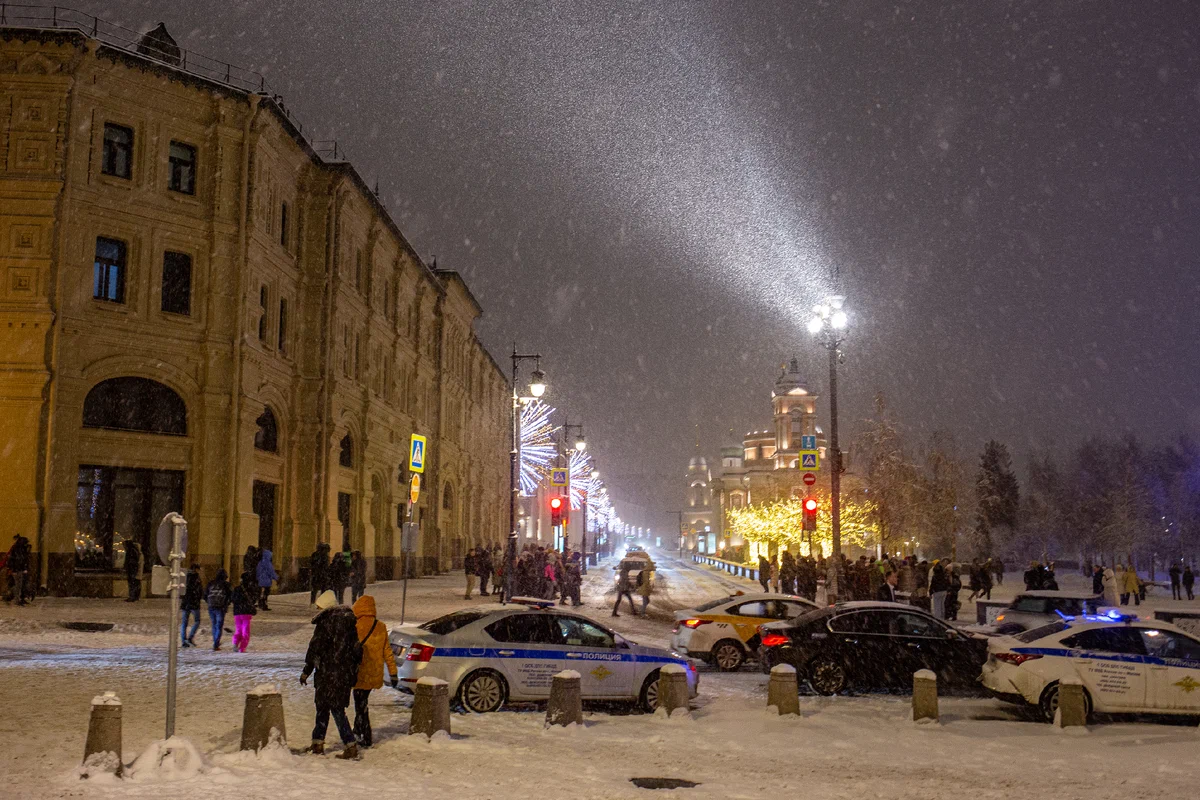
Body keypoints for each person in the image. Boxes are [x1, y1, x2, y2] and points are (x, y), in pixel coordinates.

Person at [301, 590, 362, 759]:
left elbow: (315, 649)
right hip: (342, 675)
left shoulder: (325, 623)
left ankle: (349, 745)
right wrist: (351, 671)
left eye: (319, 607)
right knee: (334, 708)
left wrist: (306, 671)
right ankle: (318, 742)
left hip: (327, 674)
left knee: (329, 709)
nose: (318, 610)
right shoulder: (349, 624)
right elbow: (356, 651)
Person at [352, 594, 398, 748]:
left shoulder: (355, 625)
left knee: (360, 705)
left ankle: (365, 735)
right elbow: (387, 651)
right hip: (373, 673)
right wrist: (393, 673)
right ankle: (358, 730)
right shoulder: (380, 626)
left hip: (358, 672)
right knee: (361, 702)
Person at [204, 568, 232, 651]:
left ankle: (215, 641)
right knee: (219, 625)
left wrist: (209, 602)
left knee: (214, 624)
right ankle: (216, 643)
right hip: (221, 606)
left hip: (211, 606)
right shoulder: (226, 585)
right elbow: (230, 595)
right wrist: (227, 603)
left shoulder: (211, 583)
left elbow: (205, 594)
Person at [231, 573, 258, 653]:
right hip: (246, 612)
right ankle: (242, 648)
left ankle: (235, 643)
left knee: (238, 630)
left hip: (237, 612)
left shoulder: (237, 589)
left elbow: (232, 599)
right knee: (245, 631)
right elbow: (254, 600)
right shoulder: (250, 589)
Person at [180, 563, 203, 647]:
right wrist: (198, 598)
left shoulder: (184, 577)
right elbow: (199, 591)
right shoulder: (196, 578)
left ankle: (183, 640)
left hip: (185, 602)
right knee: (197, 621)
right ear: (196, 569)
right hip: (194, 603)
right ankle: (190, 637)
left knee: (184, 623)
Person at [7, 535, 32, 606]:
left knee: (19, 584)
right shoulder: (19, 549)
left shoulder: (17, 549)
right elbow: (20, 560)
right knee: (19, 585)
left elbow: (14, 559)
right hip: (18, 569)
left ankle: (17, 598)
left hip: (18, 569)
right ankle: (17, 598)